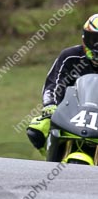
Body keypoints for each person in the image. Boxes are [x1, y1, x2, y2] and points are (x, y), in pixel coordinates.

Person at [26, 14, 98, 153]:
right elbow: (53, 84)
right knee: (36, 130)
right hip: (71, 115)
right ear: (85, 39)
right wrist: (50, 105)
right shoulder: (70, 56)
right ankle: (50, 160)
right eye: (95, 40)